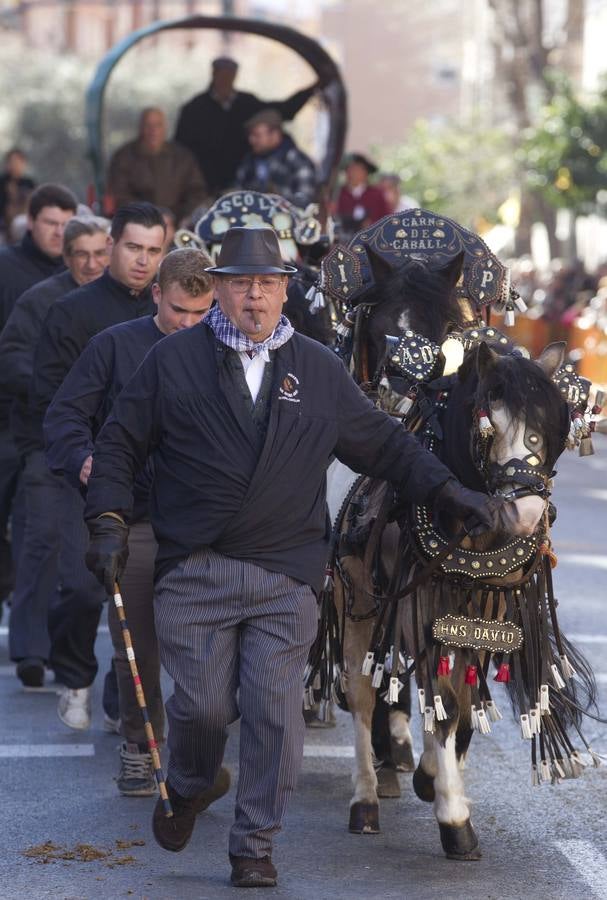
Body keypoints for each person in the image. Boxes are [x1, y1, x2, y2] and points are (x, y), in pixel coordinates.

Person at [83, 226, 502, 887]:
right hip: (195, 567)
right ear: (217, 289)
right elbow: (118, 445)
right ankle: (191, 778)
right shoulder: (170, 363)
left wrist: (451, 491)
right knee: (201, 711)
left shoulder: (317, 369)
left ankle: (254, 845)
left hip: (285, 574)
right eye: (241, 283)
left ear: (284, 293)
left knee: (277, 715)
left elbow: (384, 446)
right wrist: (107, 520)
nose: (254, 296)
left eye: (267, 284)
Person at [44, 248, 216, 795]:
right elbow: (66, 413)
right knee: (135, 645)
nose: (187, 326)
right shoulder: (113, 345)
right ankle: (142, 748)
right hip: (135, 517)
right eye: (178, 312)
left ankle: (195, 753)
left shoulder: (225, 350)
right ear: (156, 294)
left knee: (207, 652)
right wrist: (84, 458)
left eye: (199, 313)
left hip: (205, 524)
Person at [32, 201, 166, 731]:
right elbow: (54, 401)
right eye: (134, 247)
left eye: (155, 250)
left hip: (155, 488)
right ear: (112, 245)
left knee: (135, 601)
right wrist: (84, 461)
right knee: (84, 584)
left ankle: (123, 705)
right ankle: (75, 674)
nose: (143, 260)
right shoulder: (72, 312)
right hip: (83, 472)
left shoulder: (180, 311)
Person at [0, 216, 110, 687]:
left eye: (98, 254)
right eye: (80, 255)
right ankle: (29, 648)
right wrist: (60, 390)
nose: (90, 264)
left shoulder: (128, 302)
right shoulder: (40, 300)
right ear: (65, 257)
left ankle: (73, 655)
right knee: (42, 538)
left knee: (86, 560)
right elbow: (11, 357)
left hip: (107, 447)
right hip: (45, 440)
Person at [0, 183, 77, 613]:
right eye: (51, 223)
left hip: (43, 423)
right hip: (4, 414)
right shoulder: (6, 268)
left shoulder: (82, 275)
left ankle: (32, 615)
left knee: (36, 522)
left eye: (67, 224)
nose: (58, 232)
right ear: (31, 223)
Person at [175, 56, 320, 197]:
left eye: (229, 75)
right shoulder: (194, 109)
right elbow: (180, 149)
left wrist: (311, 90)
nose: (225, 80)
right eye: (221, 74)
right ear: (213, 74)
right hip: (204, 183)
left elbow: (283, 110)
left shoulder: (248, 104)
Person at [106, 108, 206, 223]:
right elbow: (119, 195)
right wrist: (149, 216)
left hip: (178, 224)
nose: (153, 131)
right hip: (138, 223)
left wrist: (179, 218)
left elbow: (197, 192)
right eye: (148, 125)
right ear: (140, 128)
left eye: (158, 125)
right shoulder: (124, 157)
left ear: (165, 128)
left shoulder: (183, 157)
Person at [235, 109, 317, 210]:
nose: (251, 140)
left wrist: (278, 201)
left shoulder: (298, 161)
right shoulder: (250, 161)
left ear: (275, 135)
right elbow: (238, 192)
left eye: (256, 135)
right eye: (250, 135)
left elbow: (305, 200)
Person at [334, 153, 390, 241]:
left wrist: (372, 226)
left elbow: (387, 219)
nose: (354, 173)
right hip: (343, 241)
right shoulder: (337, 193)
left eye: (358, 169)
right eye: (351, 169)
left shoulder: (377, 194)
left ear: (366, 173)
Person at [0, 148, 36, 239]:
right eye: (11, 162)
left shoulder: (29, 183)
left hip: (24, 224)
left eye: (18, 162)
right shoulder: (2, 182)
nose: (14, 165)